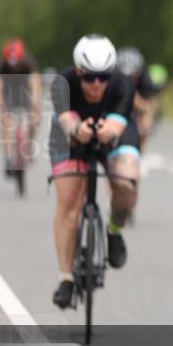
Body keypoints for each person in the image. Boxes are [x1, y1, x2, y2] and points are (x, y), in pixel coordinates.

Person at [50, 34, 141, 308]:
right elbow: (67, 121)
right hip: (73, 133)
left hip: (113, 131)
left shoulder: (123, 85)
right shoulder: (62, 83)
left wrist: (104, 132)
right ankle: (66, 278)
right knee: (68, 202)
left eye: (103, 77)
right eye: (90, 77)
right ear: (78, 72)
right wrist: (79, 131)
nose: (97, 84)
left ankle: (114, 230)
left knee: (127, 181)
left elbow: (115, 127)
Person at [0, 38, 42, 176]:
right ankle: (8, 157)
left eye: (16, 63)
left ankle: (29, 142)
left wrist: (35, 104)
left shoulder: (28, 61)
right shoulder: (1, 64)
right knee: (6, 123)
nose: (14, 67)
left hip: (25, 94)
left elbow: (35, 83)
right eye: (11, 64)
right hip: (8, 95)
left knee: (35, 119)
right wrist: (0, 105)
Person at [116, 47, 161, 151]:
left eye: (132, 77)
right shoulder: (111, 81)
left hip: (137, 108)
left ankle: (139, 152)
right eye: (124, 77)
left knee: (145, 126)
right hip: (118, 107)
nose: (128, 81)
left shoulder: (145, 81)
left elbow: (147, 105)